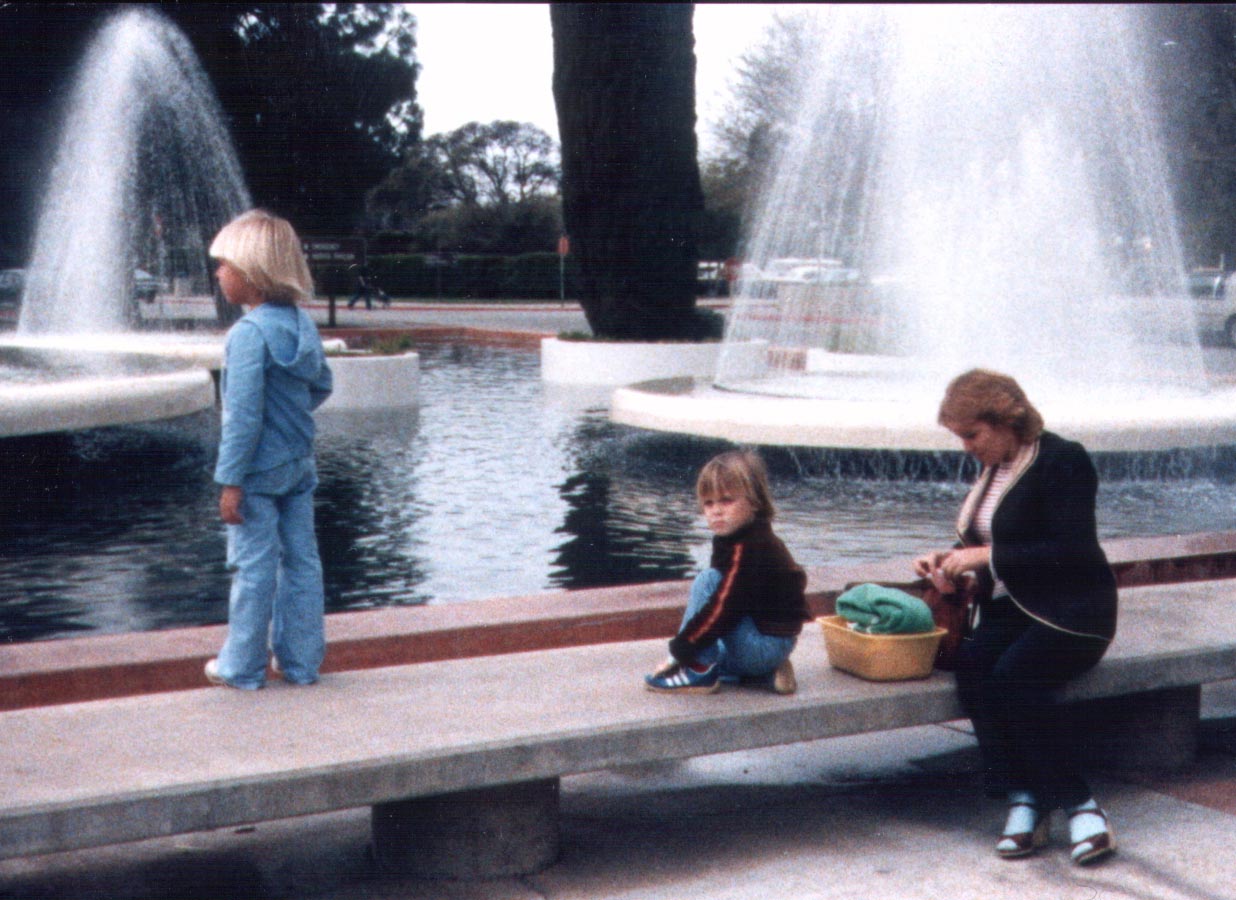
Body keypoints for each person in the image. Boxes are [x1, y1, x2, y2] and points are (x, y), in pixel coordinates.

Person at [912, 369, 1118, 865]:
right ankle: (1023, 796)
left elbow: (1070, 549)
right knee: (973, 667)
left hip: (1074, 613)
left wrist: (986, 556)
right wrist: (950, 562)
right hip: (1016, 608)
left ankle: (1081, 805)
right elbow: (993, 543)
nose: (966, 447)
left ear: (1006, 420)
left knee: (1014, 677)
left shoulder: (1063, 459)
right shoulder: (995, 468)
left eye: (972, 435)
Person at [205, 209, 334, 690]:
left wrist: (230, 482)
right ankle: (300, 662)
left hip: (256, 473)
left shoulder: (248, 334)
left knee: (253, 566)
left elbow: (241, 419)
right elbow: (322, 384)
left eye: (225, 265)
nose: (219, 273)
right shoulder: (301, 325)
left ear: (252, 274)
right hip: (298, 464)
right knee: (302, 562)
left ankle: (241, 666)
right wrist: (289, 421)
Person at [644, 449, 808, 695]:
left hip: (762, 645)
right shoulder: (749, 536)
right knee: (714, 641)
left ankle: (699, 672)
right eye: (708, 503)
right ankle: (767, 672)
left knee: (708, 580)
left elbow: (724, 608)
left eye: (726, 500)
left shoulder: (748, 548)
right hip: (773, 642)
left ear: (755, 501)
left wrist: (679, 652)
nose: (716, 510)